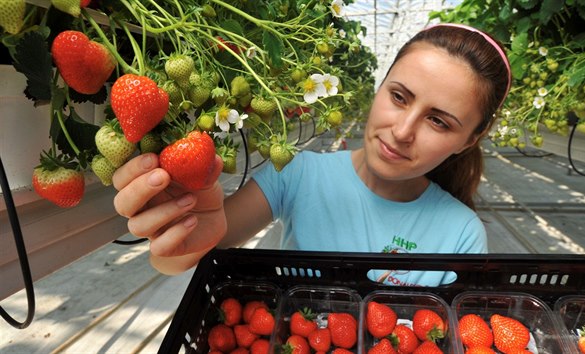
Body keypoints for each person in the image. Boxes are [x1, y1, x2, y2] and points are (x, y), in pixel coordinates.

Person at [112, 23, 512, 286]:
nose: (403, 131)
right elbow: (188, 253)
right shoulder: (300, 174)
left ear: (469, 140)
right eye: (399, 96)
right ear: (380, 86)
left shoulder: (461, 234)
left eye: (439, 122)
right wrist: (179, 243)